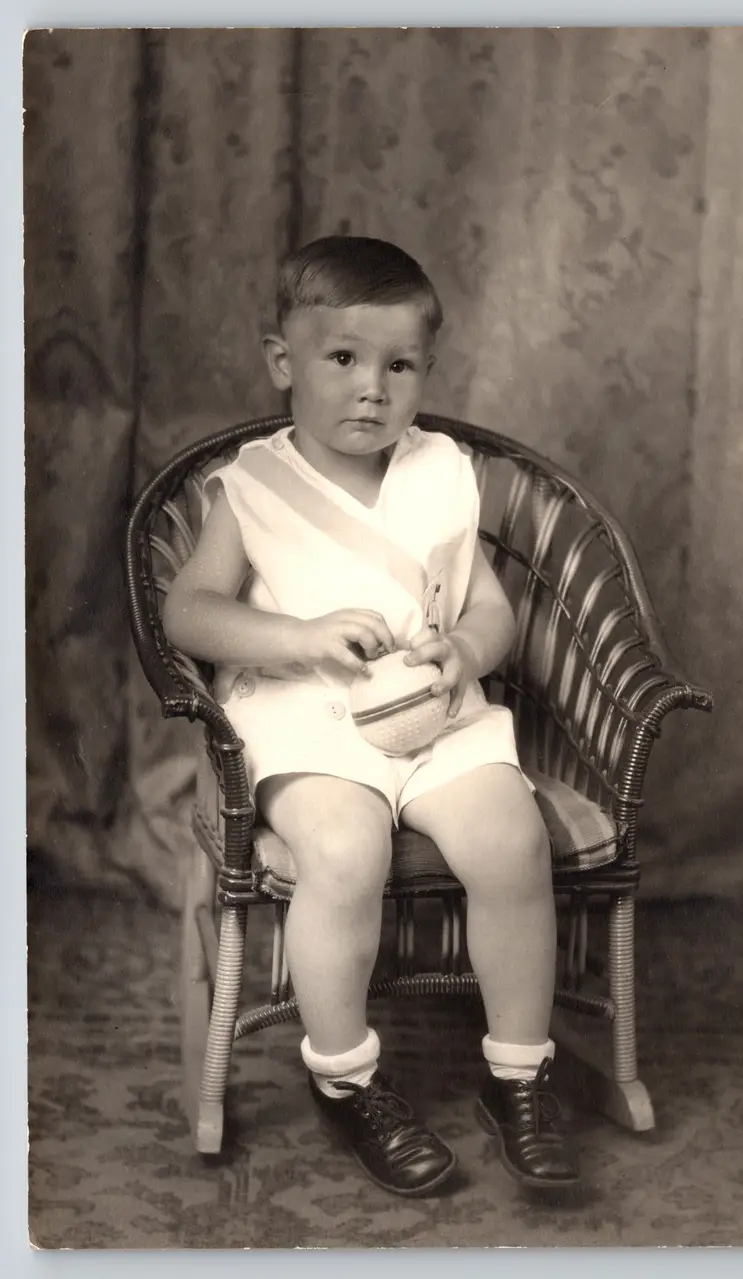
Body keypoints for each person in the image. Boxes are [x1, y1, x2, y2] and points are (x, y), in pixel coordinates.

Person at [164, 235, 579, 1198]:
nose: (371, 389)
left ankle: (519, 1072)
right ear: (284, 362)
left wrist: (466, 653)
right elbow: (190, 613)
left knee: (512, 839)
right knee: (345, 852)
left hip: (431, 706)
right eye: (341, 358)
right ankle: (347, 1075)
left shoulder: (441, 468)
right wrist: (300, 632)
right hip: (307, 715)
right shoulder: (252, 484)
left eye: (399, 366)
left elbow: (488, 608)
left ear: (425, 372)